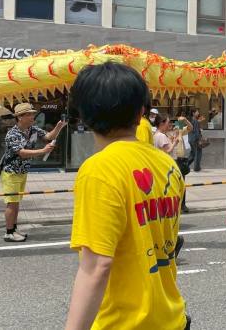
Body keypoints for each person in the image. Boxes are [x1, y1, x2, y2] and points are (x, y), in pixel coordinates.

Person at [65, 62, 187, 330]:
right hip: (171, 318)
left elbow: (97, 265)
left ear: (83, 115)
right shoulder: (167, 165)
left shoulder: (99, 170)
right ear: (141, 111)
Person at [0, 103, 64, 242]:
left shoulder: (32, 129)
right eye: (28, 114)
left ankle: (14, 229)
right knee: (12, 203)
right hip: (11, 172)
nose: (32, 117)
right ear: (19, 117)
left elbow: (48, 136)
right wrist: (42, 151)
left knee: (16, 202)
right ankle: (9, 232)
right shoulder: (12, 133)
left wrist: (59, 126)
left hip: (22, 171)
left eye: (32, 114)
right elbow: (21, 153)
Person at [154, 113, 193, 213]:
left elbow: (190, 128)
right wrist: (175, 141)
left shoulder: (177, 130)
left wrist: (184, 121)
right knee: (173, 185)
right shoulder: (163, 135)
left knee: (181, 183)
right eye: (169, 123)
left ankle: (182, 204)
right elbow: (167, 150)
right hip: (170, 161)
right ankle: (173, 206)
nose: (170, 126)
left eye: (172, 124)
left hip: (179, 159)